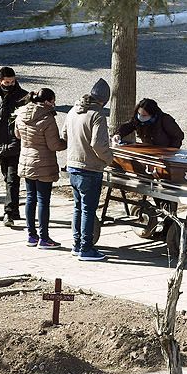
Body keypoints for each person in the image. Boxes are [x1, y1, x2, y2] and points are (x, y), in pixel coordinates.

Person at [64, 78, 112, 261]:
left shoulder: (73, 111)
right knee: (88, 210)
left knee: (78, 208)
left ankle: (76, 245)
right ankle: (86, 249)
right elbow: (98, 145)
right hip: (90, 169)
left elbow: (64, 136)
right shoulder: (97, 115)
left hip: (73, 167)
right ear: (104, 100)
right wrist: (109, 159)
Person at [15, 88, 66, 248]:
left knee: (30, 199)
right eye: (53, 101)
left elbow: (17, 135)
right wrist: (67, 141)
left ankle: (31, 236)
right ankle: (44, 237)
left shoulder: (21, 113)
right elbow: (54, 145)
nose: (54, 104)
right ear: (47, 101)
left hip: (26, 160)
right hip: (43, 163)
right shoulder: (47, 118)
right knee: (43, 200)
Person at [0, 66, 27, 227]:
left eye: (12, 81)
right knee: (7, 178)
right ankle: (14, 209)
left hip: (16, 144)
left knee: (12, 178)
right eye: (6, 82)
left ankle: (9, 212)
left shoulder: (23, 97)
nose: (10, 84)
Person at [112, 98, 184, 148]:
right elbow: (129, 126)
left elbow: (178, 136)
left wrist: (171, 151)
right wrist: (118, 135)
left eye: (144, 115)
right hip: (149, 149)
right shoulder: (137, 119)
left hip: (164, 151)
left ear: (152, 114)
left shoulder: (165, 120)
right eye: (139, 114)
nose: (140, 117)